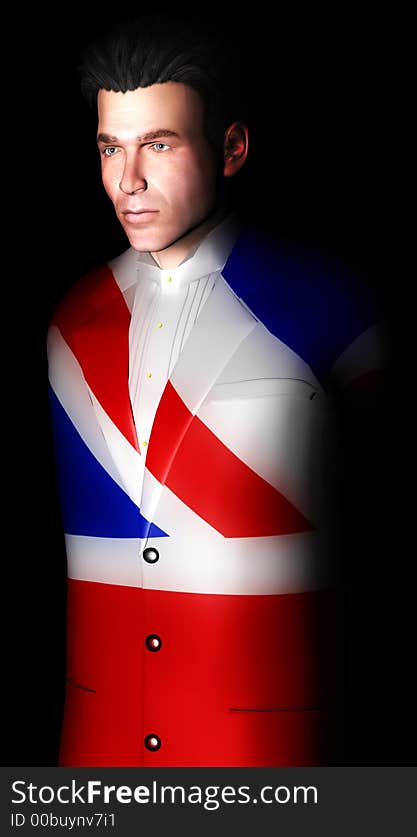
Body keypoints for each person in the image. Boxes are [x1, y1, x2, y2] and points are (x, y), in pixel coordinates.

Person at [46, 15, 387, 766]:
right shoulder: (71, 322)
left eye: (158, 145)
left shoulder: (335, 304)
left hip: (270, 751)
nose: (127, 180)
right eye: (111, 147)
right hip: (100, 760)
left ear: (231, 148)